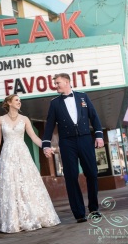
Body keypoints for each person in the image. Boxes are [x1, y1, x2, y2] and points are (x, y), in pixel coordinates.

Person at [0, 94, 60, 233]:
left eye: (20, 101)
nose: (19, 102)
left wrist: (46, 146)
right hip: (7, 155)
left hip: (23, 154)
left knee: (27, 183)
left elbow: (34, 137)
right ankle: (14, 221)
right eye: (16, 100)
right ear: (9, 102)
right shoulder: (0, 120)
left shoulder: (25, 119)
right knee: (11, 185)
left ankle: (33, 216)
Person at [42, 73, 104, 223]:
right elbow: (50, 124)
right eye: (55, 83)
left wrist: (99, 135)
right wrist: (45, 144)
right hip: (67, 143)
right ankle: (79, 213)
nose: (55, 86)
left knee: (92, 173)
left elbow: (94, 117)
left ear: (67, 82)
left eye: (58, 83)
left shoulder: (83, 97)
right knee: (71, 176)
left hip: (84, 139)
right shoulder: (55, 103)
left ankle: (94, 208)